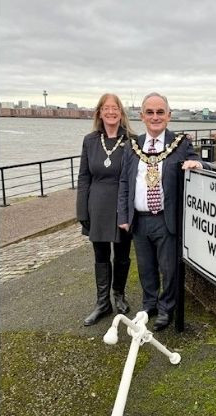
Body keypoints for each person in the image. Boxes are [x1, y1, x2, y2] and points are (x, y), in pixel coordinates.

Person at [117, 92, 202, 331]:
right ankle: (149, 304)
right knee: (145, 267)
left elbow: (197, 160)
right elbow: (124, 181)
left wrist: (197, 163)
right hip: (139, 219)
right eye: (150, 112)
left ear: (169, 116)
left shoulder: (180, 143)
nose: (155, 117)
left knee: (168, 268)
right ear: (142, 116)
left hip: (166, 219)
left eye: (160, 112)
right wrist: (123, 215)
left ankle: (166, 308)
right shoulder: (132, 146)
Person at [76, 93, 135, 326]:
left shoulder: (132, 141)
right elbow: (83, 177)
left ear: (121, 113)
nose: (111, 112)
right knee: (100, 255)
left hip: (122, 204)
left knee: (122, 254)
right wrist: (82, 211)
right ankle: (103, 303)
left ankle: (119, 295)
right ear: (99, 112)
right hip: (97, 204)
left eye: (115, 108)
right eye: (106, 108)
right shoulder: (90, 141)